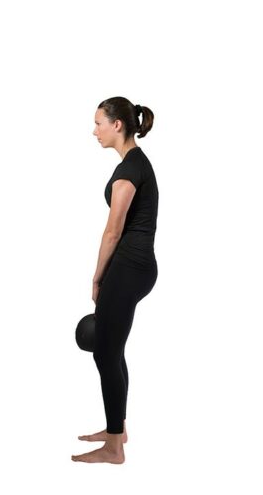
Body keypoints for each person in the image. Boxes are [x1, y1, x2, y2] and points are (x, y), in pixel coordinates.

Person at [72, 97, 158, 464]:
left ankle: (113, 447)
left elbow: (113, 231)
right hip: (138, 267)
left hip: (127, 267)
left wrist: (97, 276)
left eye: (98, 124)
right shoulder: (136, 164)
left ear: (117, 125)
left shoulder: (128, 170)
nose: (95, 131)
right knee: (112, 350)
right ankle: (116, 430)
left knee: (106, 352)